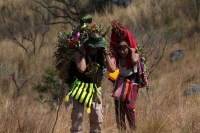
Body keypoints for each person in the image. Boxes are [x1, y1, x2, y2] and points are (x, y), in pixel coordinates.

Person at [69, 33, 116, 133]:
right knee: (78, 115)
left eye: (96, 48)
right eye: (92, 48)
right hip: (80, 86)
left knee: (97, 114)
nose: (94, 50)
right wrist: (84, 54)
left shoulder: (101, 54)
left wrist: (106, 53)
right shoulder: (78, 53)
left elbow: (112, 69)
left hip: (94, 87)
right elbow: (82, 69)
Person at [109, 20, 140, 132]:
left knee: (129, 107)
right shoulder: (116, 58)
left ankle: (134, 129)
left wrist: (132, 51)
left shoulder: (133, 56)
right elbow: (111, 67)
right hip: (120, 83)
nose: (122, 51)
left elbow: (134, 59)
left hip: (132, 82)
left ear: (128, 47)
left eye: (124, 48)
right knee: (119, 109)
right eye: (120, 48)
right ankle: (122, 130)